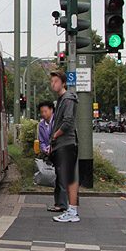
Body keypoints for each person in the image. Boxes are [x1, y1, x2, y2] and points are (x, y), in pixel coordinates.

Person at [49, 71, 80, 223]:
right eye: (52, 81)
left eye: (55, 81)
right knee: (67, 177)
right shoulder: (62, 99)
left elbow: (67, 122)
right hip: (63, 143)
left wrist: (55, 135)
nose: (52, 84)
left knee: (70, 178)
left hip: (66, 143)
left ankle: (73, 211)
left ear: (63, 83)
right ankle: (70, 209)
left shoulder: (67, 99)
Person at [37, 101, 67, 213]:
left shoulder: (58, 122)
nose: (43, 114)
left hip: (61, 152)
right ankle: (58, 203)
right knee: (57, 179)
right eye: (41, 112)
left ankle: (62, 204)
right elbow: (41, 140)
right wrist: (45, 148)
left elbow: (62, 136)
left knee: (61, 179)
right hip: (50, 155)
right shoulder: (41, 125)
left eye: (45, 111)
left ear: (51, 110)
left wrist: (52, 146)